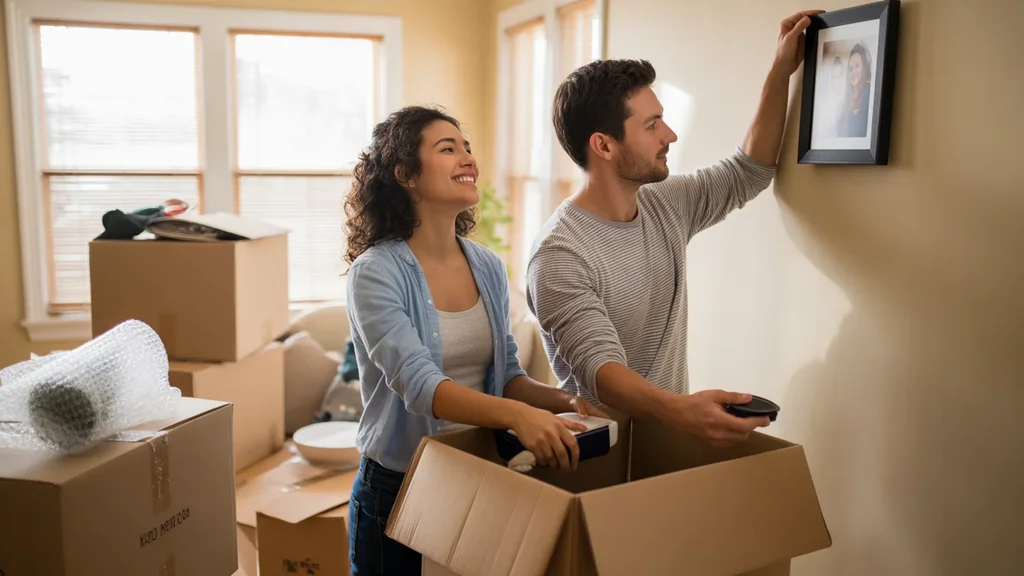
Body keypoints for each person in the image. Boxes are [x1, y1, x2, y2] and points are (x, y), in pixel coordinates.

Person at [526, 10, 822, 447]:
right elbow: (602, 371)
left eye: (661, 118)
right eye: (651, 125)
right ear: (603, 145)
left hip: (666, 445)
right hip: (598, 459)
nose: (670, 134)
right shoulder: (560, 254)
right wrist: (679, 408)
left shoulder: (664, 203)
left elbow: (749, 172)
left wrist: (781, 68)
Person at [343, 105, 606, 576]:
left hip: (475, 478)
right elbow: (420, 386)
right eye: (448, 149)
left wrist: (572, 401)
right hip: (397, 489)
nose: (468, 159)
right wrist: (519, 417)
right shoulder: (376, 272)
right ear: (405, 174)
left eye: (467, 148)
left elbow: (505, 377)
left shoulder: (485, 265)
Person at [837, 41, 872, 137]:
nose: (853, 72)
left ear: (864, 67)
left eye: (857, 66)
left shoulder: (870, 93)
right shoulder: (845, 99)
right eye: (850, 68)